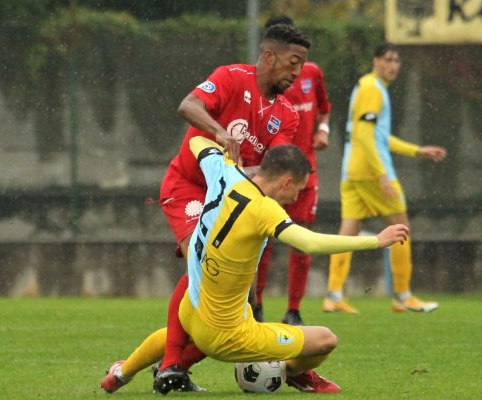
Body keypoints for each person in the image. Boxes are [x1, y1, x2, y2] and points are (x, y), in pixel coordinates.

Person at [101, 23, 311, 394]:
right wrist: (219, 131)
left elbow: (275, 165)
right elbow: (188, 105)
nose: (297, 73)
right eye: (293, 62)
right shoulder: (230, 78)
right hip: (189, 187)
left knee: (230, 306)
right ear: (268, 56)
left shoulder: (287, 115)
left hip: (232, 200)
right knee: (198, 259)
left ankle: (172, 366)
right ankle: (169, 364)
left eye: (302, 65)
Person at [165, 136, 410, 394]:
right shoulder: (265, 209)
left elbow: (197, 142)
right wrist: (376, 240)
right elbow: (311, 243)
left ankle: (128, 370)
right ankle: (293, 373)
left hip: (197, 313)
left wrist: (225, 141)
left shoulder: (225, 172)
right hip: (229, 334)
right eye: (298, 190)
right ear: (286, 182)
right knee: (326, 339)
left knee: (187, 313)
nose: (296, 198)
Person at [322, 43, 447, 314]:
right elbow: (366, 136)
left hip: (352, 170)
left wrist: (416, 151)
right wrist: (381, 175)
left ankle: (333, 294)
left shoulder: (367, 87)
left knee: (349, 232)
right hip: (371, 171)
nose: (393, 65)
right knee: (401, 226)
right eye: (388, 59)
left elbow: (374, 135)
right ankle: (403, 295)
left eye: (397, 60)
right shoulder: (372, 89)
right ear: (376, 61)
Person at [253, 15, 332, 326]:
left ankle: (293, 311)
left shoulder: (312, 73)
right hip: (272, 176)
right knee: (263, 241)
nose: (295, 68)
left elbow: (325, 109)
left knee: (302, 241)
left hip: (304, 176)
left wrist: (323, 130)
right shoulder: (263, 82)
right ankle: (255, 305)